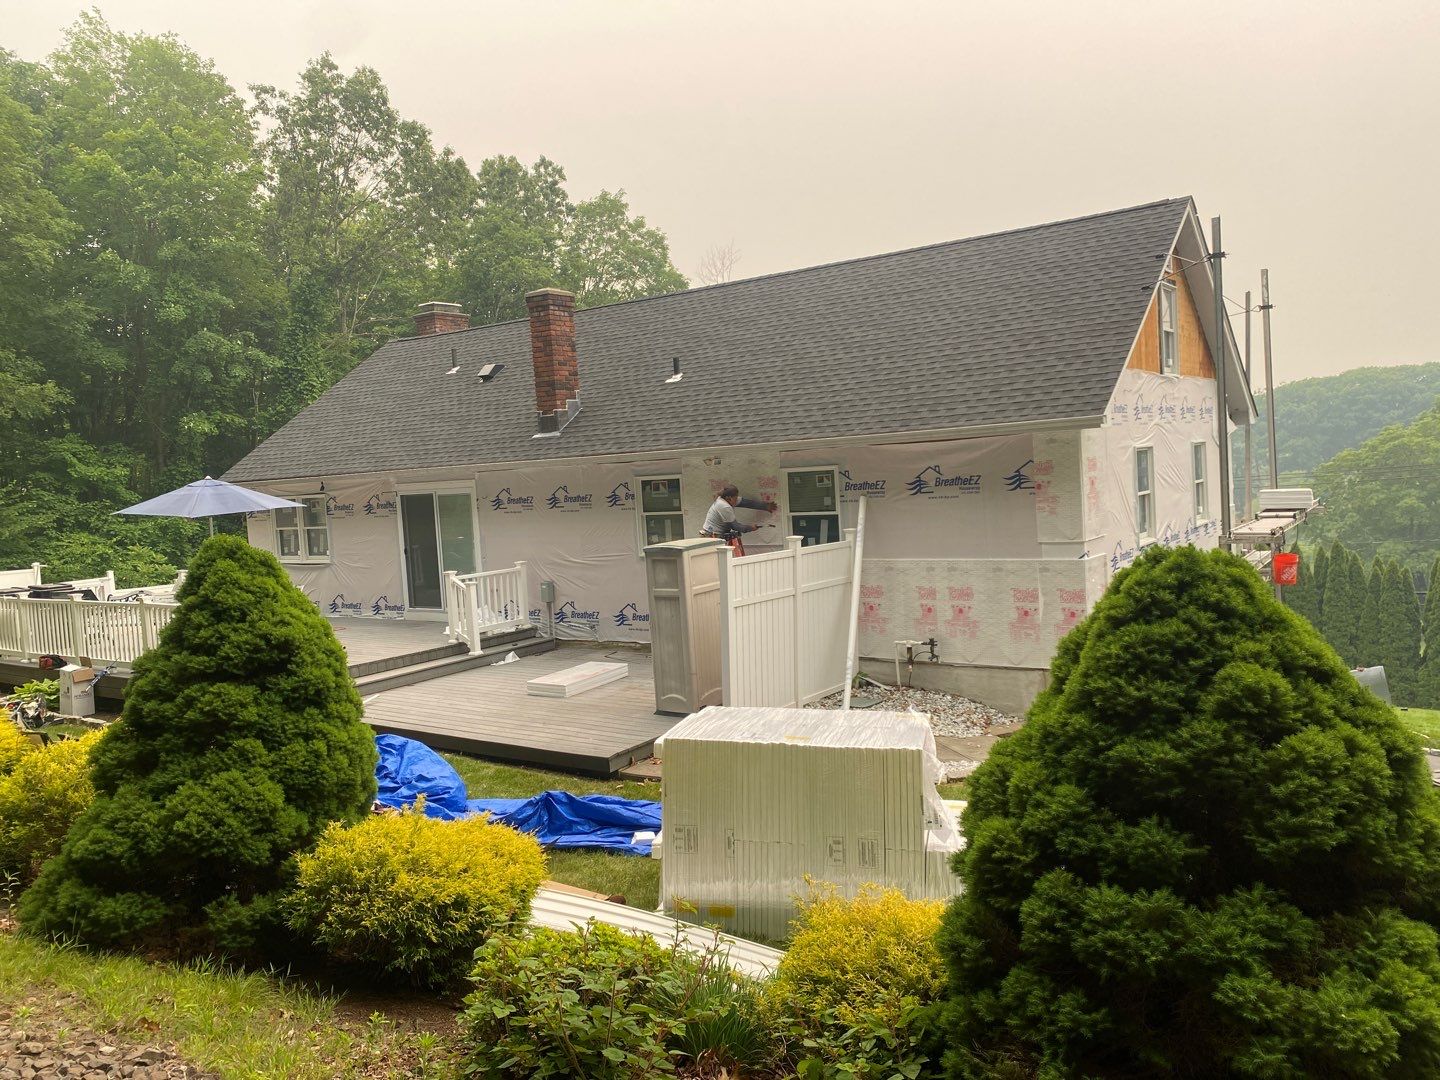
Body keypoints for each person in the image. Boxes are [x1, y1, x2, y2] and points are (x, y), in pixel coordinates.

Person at [701, 485, 778, 553]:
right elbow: (735, 526)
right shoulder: (724, 506)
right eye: (735, 498)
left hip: (717, 534)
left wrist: (765, 506)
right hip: (712, 536)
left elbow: (747, 503)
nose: (737, 500)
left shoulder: (726, 499)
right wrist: (750, 528)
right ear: (729, 498)